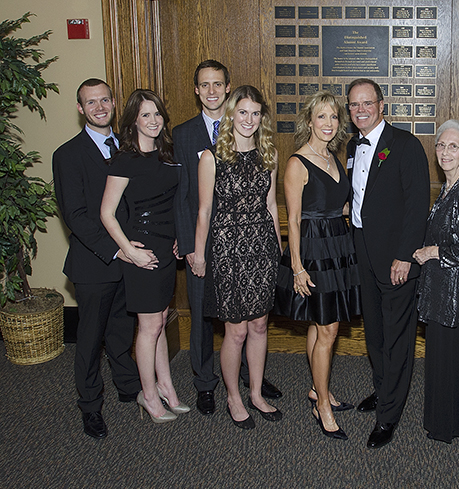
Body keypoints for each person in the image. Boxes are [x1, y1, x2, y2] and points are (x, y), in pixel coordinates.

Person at [173, 60, 282, 416]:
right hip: (228, 249)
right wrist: (199, 253)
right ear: (232, 114)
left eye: (255, 113)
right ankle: (233, 397)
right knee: (235, 331)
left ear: (261, 117)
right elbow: (203, 210)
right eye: (243, 112)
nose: (248, 119)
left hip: (261, 248)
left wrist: (278, 251)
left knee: (260, 324)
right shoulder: (212, 156)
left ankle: (256, 394)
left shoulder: (269, 154)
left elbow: (271, 205)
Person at [53, 79, 142, 439]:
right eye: (91, 103)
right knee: (90, 339)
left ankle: (127, 386)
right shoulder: (67, 155)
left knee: (121, 330)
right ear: (80, 109)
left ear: (114, 102)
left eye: (104, 100)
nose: (99, 107)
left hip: (130, 260)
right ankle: (90, 405)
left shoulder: (128, 146)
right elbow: (75, 216)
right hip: (95, 263)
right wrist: (116, 249)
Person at [347, 78, 430, 449]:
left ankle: (389, 415)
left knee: (397, 337)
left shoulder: (405, 145)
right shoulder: (352, 146)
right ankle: (383, 390)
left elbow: (417, 205)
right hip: (363, 253)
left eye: (367, 103)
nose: (361, 110)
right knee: (375, 332)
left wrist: (405, 256)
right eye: (354, 104)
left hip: (397, 257)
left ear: (382, 105)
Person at [274, 90, 361, 440]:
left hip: (337, 246)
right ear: (309, 122)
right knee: (329, 329)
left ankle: (317, 389)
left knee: (320, 322)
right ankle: (322, 404)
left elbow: (338, 206)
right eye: (321, 116)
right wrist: (297, 267)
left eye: (334, 117)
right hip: (312, 250)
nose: (328, 123)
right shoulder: (297, 163)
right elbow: (293, 220)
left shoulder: (333, 158)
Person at [101, 89, 189, 423]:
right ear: (133, 121)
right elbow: (107, 213)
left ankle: (166, 387)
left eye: (157, 114)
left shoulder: (167, 154)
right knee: (149, 326)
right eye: (145, 115)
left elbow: (175, 201)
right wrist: (128, 251)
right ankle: (148, 394)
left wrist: (179, 237)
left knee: (160, 319)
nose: (153, 121)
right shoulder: (125, 159)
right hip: (143, 251)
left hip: (167, 247)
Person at [413, 119, 459, 444]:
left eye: (453, 146)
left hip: (454, 295)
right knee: (452, 360)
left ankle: (448, 424)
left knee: (447, 360)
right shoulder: (451, 186)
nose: (444, 152)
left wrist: (433, 252)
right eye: (441, 145)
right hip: (447, 289)